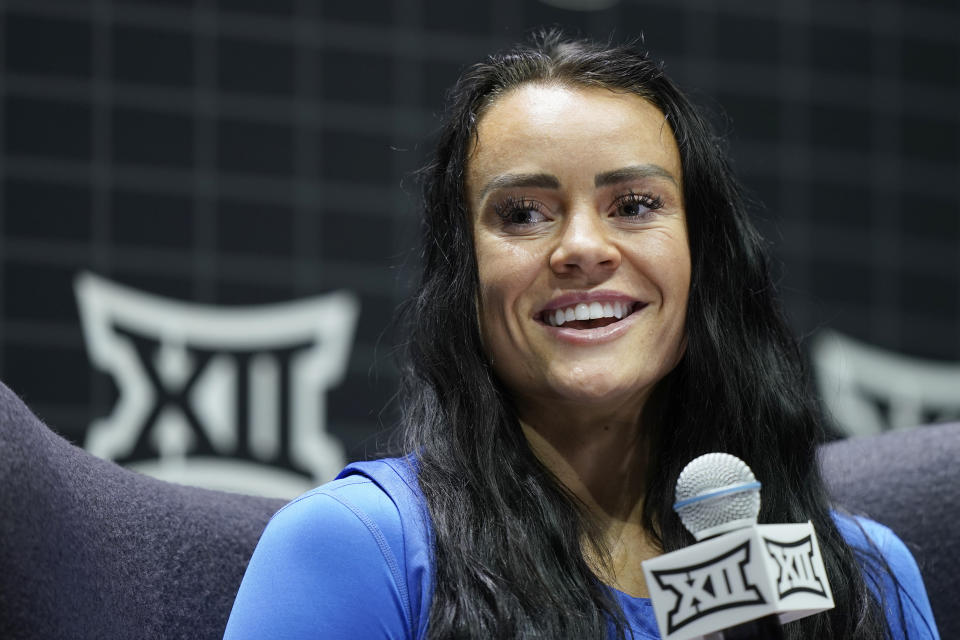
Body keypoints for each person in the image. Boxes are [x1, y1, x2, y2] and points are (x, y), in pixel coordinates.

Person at [222, 30, 939, 639]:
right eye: (523, 215)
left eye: (633, 204)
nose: (582, 248)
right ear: (464, 279)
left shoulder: (858, 572)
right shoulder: (355, 551)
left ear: (704, 262)